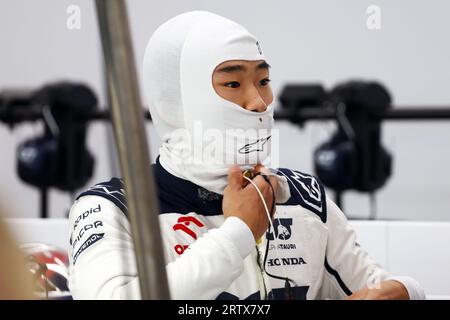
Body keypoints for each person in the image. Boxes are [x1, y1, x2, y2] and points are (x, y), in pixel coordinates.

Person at [67, 11, 425, 300]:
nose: (258, 102)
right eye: (234, 84)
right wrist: (239, 232)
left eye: (264, 81)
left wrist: (407, 290)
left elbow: (377, 286)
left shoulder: (303, 198)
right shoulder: (111, 208)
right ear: (176, 102)